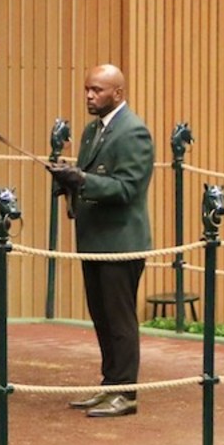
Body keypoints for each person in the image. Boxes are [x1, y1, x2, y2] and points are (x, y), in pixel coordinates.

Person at [49, 63, 155, 419]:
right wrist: (65, 180)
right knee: (101, 317)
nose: (89, 96)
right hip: (94, 241)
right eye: (87, 89)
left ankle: (125, 393)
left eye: (97, 90)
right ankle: (110, 385)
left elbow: (128, 189)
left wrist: (80, 180)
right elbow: (89, 180)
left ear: (118, 94)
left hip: (121, 245)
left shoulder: (134, 132)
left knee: (120, 320)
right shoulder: (92, 131)